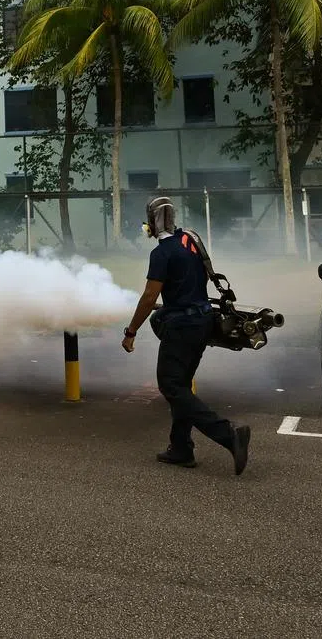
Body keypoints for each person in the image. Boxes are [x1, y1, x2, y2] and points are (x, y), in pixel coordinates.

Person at [121, 196, 251, 475]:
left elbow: (148, 297)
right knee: (180, 385)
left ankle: (229, 434)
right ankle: (180, 448)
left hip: (182, 327)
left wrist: (131, 331)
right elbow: (194, 281)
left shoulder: (162, 253)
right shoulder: (191, 241)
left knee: (171, 386)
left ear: (153, 223)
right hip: (202, 321)